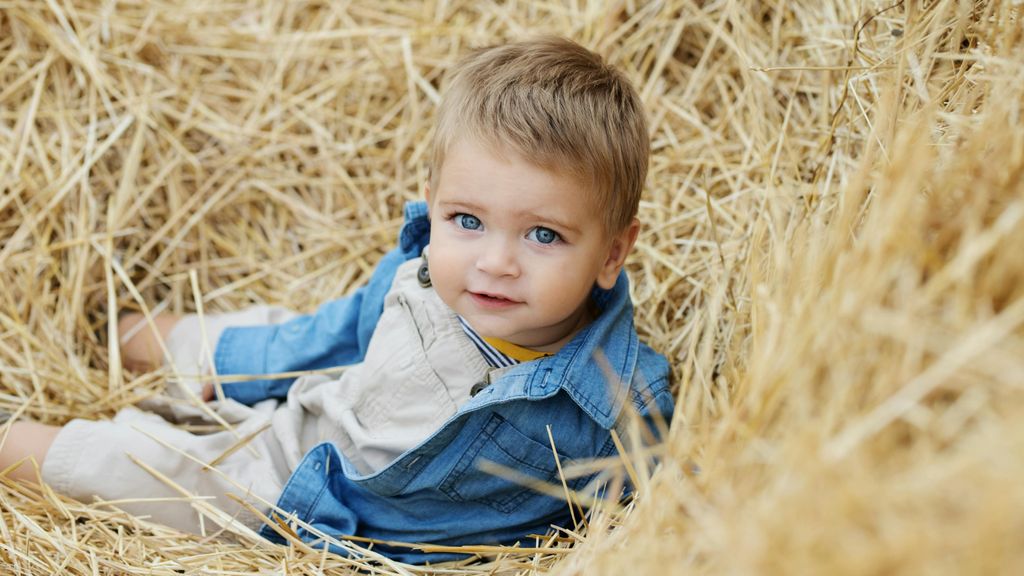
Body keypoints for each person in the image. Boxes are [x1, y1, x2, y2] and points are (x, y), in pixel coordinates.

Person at [0, 36, 674, 564]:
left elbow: (662, 515)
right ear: (436, 207)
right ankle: (146, 335)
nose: (495, 262)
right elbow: (324, 338)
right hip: (334, 386)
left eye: (543, 235)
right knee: (262, 336)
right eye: (466, 221)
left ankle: (17, 441)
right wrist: (232, 365)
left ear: (613, 252)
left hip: (299, 494)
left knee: (146, 467)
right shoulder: (418, 281)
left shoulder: (615, 401)